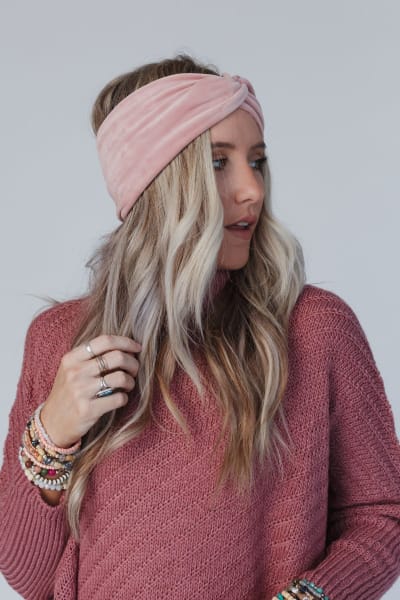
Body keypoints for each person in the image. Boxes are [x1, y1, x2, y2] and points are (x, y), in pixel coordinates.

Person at [0, 53, 399, 600]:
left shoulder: (314, 330)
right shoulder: (61, 342)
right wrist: (52, 434)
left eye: (257, 161)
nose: (253, 189)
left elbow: (381, 516)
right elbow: (30, 578)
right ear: (154, 182)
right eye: (218, 162)